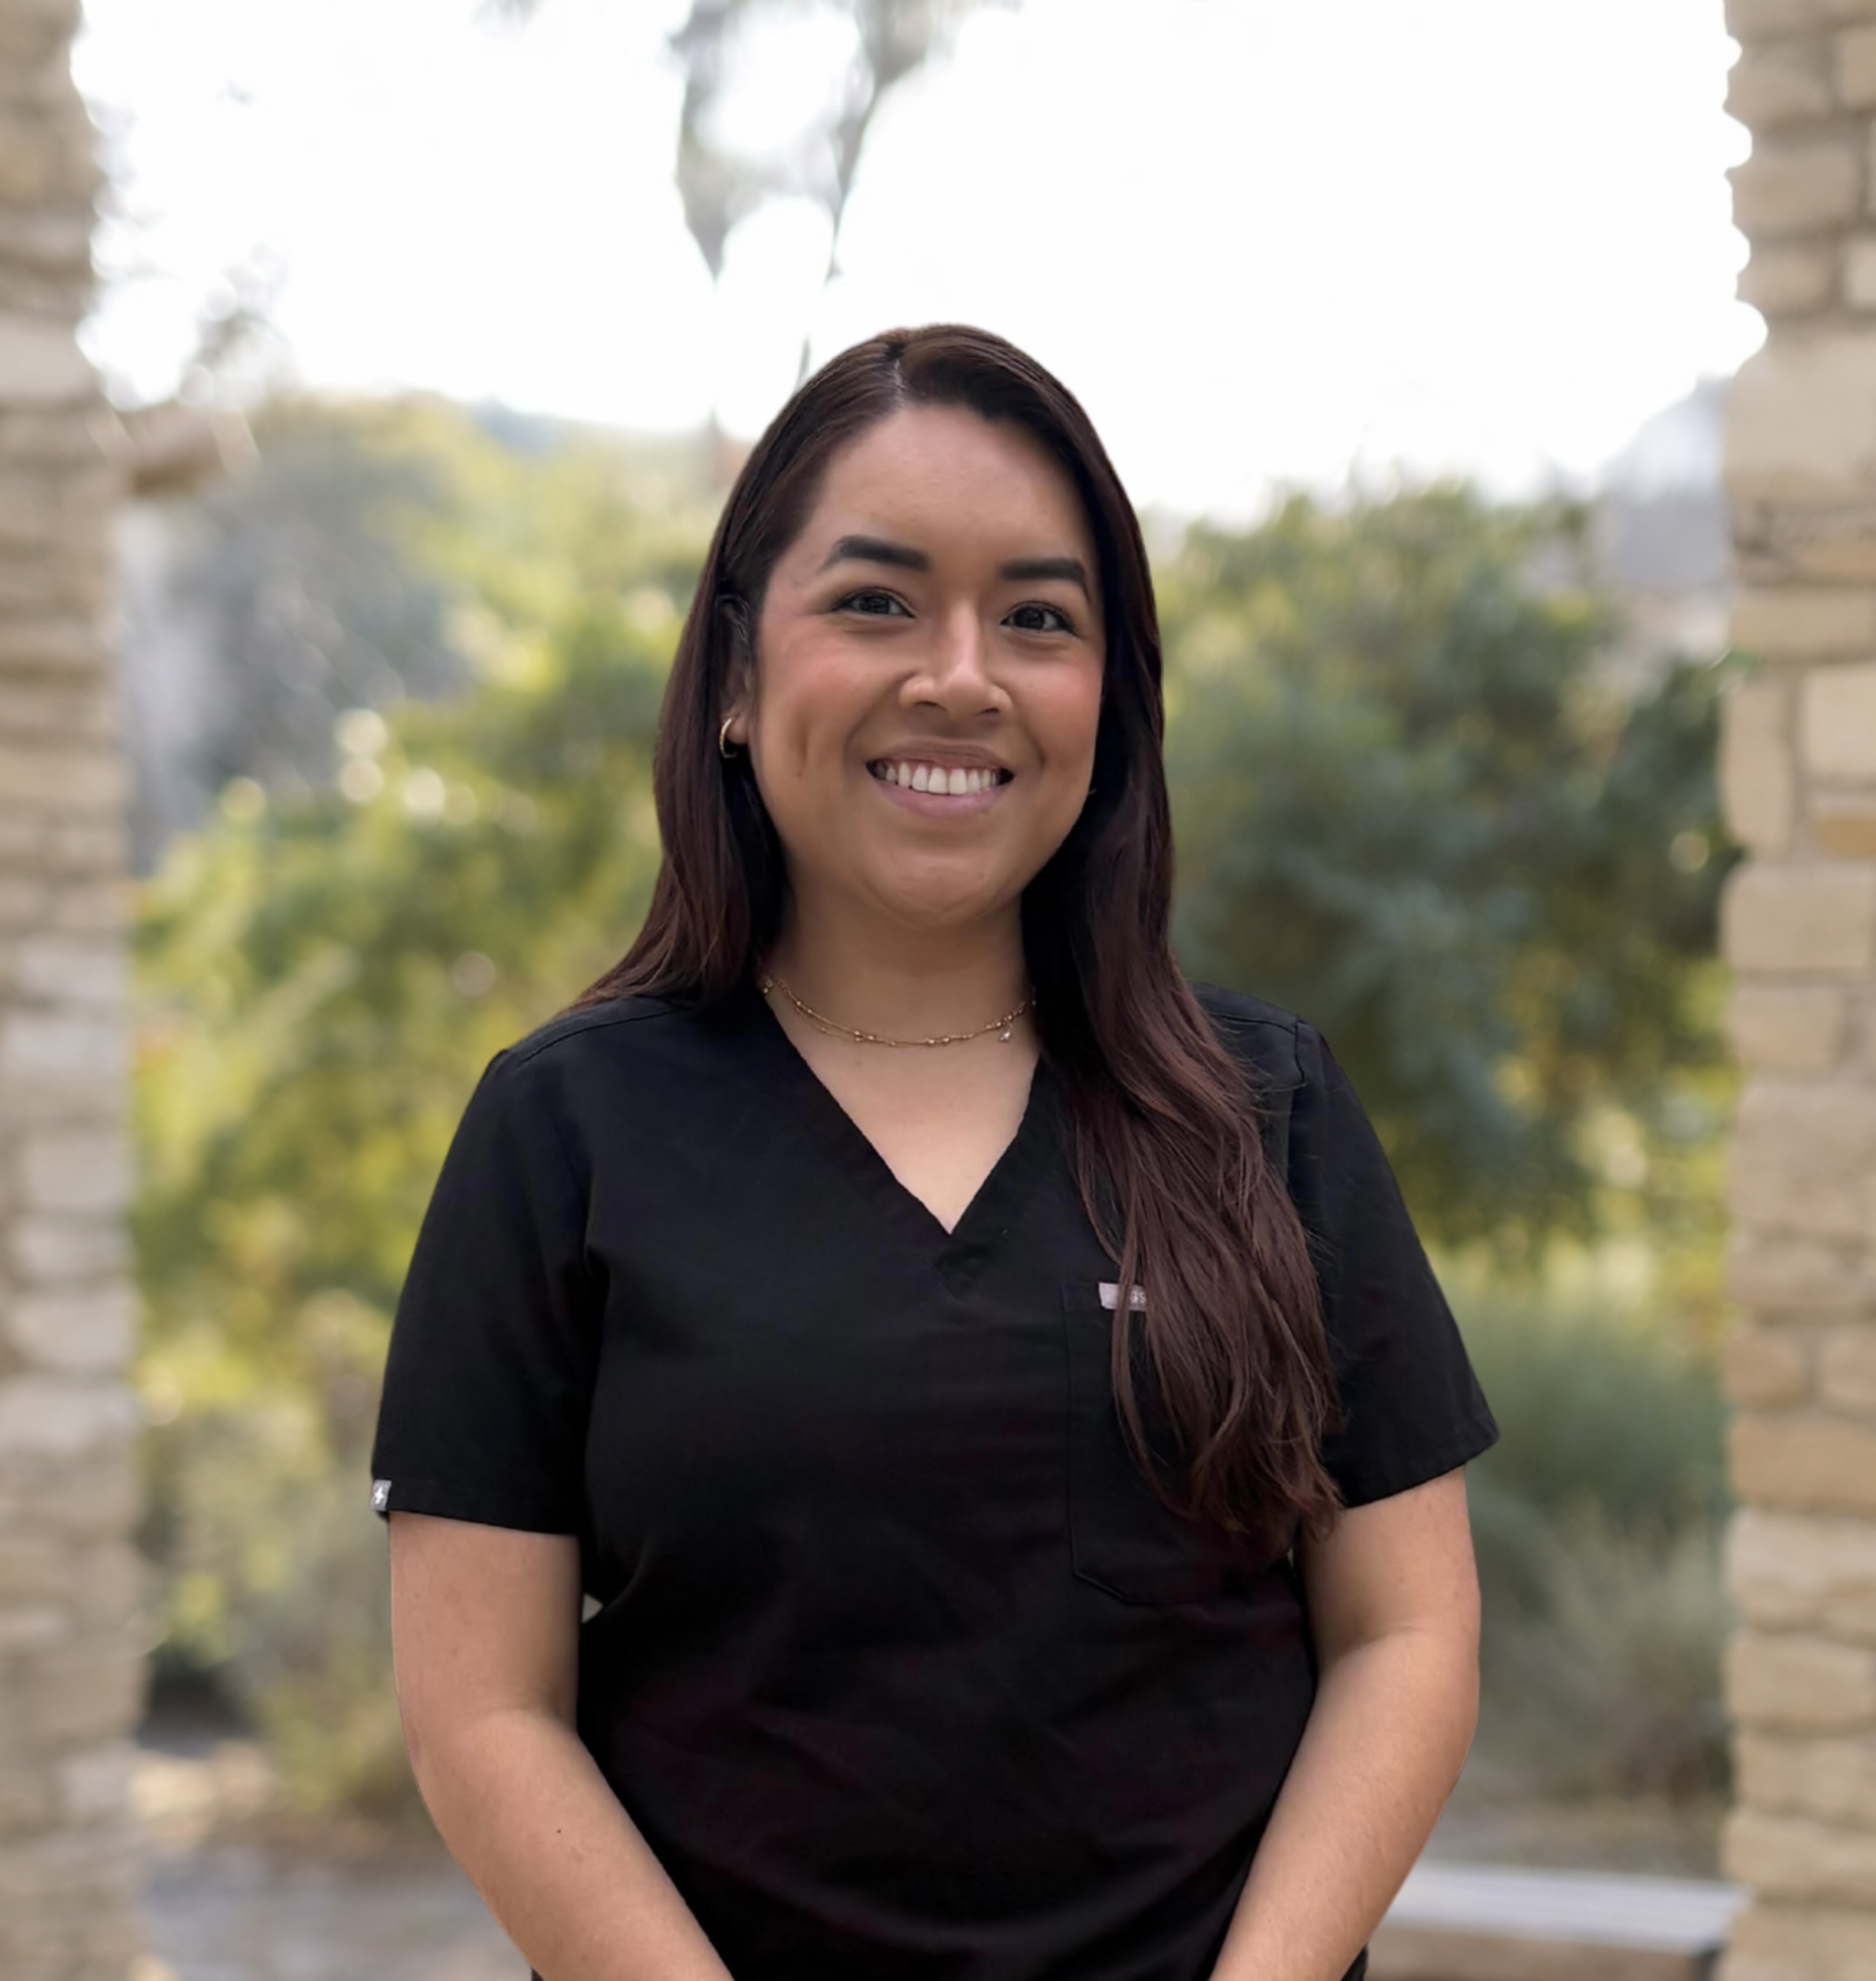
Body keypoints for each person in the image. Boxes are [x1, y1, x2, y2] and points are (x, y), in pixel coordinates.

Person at [371, 324, 1498, 1981]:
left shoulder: (1269, 1113)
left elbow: (1406, 1631)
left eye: (1037, 618)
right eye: (877, 602)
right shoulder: (562, 1132)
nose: (961, 676)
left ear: (1110, 701)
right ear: (736, 677)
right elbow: (484, 1709)